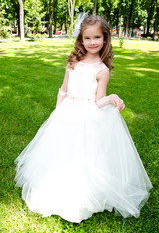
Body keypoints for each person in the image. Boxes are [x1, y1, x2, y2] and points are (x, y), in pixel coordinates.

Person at [14, 15, 152, 223]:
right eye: (88, 38)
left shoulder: (102, 70)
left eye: (97, 37)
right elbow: (62, 89)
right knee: (61, 152)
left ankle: (83, 191)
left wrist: (112, 98)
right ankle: (58, 185)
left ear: (105, 38)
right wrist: (57, 113)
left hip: (87, 114)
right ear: (81, 39)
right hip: (67, 112)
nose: (92, 42)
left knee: (84, 154)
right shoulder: (73, 61)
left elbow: (98, 101)